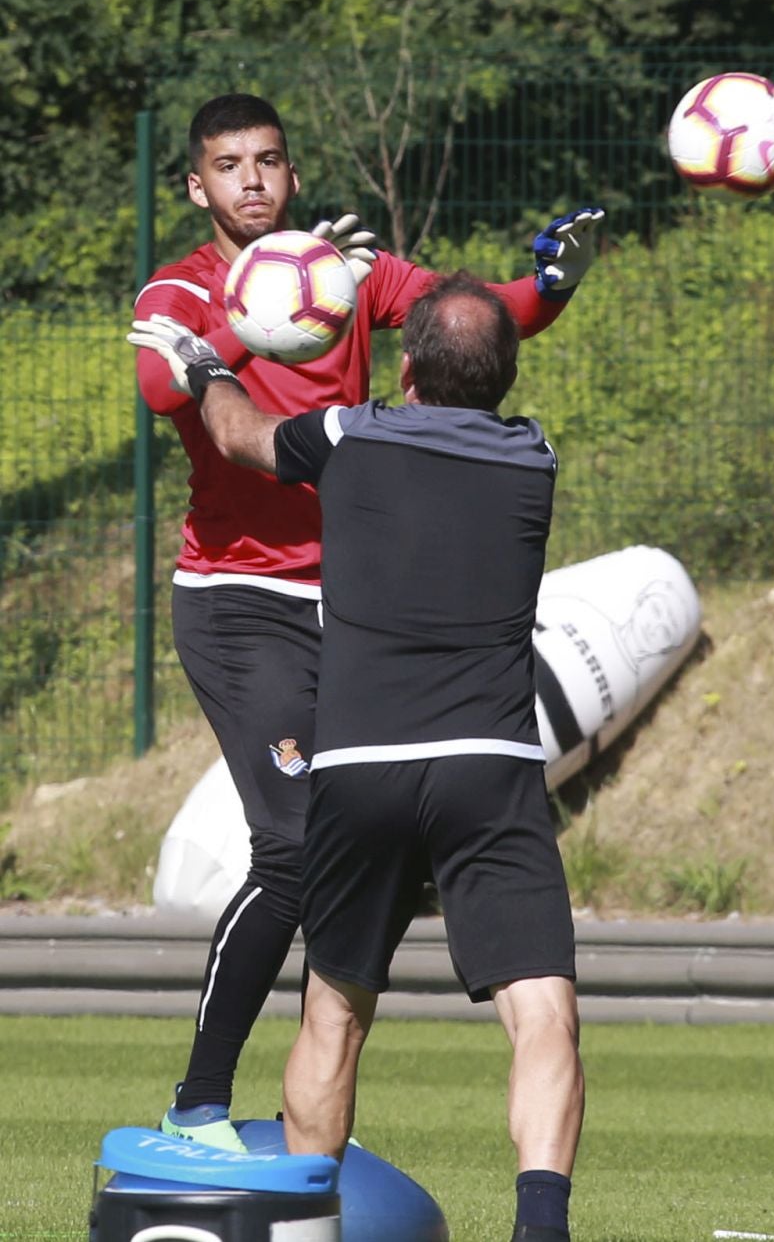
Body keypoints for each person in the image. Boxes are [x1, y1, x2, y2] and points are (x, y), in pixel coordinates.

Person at [133, 89, 601, 1152]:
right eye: (228, 165)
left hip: (349, 609)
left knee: (350, 842)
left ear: (293, 174)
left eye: (270, 160)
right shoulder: (182, 286)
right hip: (239, 601)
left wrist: (552, 287)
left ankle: (309, 1101)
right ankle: (199, 1103)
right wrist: (229, 327)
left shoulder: (340, 271)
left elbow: (468, 318)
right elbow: (162, 380)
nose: (252, 180)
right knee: (294, 845)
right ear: (195, 186)